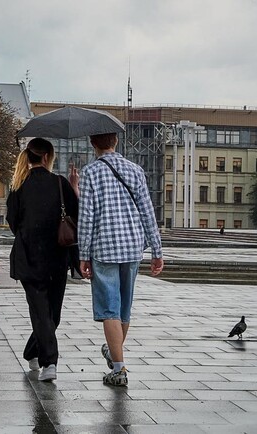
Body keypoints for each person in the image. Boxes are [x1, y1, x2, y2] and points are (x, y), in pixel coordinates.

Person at [78, 132, 164, 387]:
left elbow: (86, 217)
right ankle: (113, 353)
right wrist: (157, 250)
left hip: (104, 247)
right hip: (132, 247)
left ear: (93, 143)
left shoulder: (90, 172)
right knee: (124, 307)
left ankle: (119, 369)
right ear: (115, 141)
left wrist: (83, 254)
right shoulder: (135, 170)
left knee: (109, 310)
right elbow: (147, 212)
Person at [7, 138, 78, 382]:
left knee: (43, 313)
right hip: (57, 258)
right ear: (47, 157)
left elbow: (12, 222)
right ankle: (50, 363)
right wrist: (74, 189)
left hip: (29, 257)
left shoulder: (18, 186)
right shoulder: (60, 183)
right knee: (51, 313)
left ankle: (31, 352)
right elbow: (76, 216)